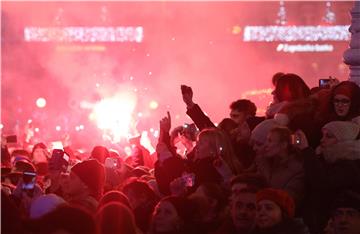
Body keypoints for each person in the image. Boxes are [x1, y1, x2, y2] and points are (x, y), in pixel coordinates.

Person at [296, 121, 360, 234]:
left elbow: (322, 182)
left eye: (329, 136)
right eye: (323, 135)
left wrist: (306, 150)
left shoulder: (350, 165)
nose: (322, 140)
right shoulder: (324, 159)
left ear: (343, 140)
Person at [254, 126, 304, 207]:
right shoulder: (264, 163)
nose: (266, 144)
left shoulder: (296, 170)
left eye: (270, 141)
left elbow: (288, 200)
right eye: (266, 140)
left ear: (283, 145)